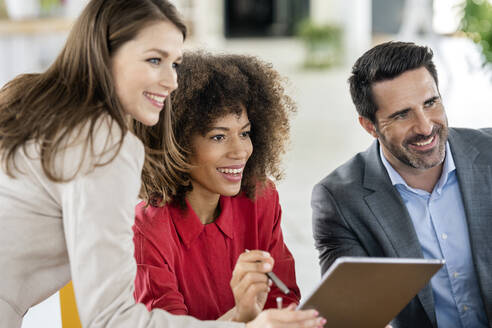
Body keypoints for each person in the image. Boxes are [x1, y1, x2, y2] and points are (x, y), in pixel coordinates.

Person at [0, 0, 322, 327]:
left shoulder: (42, 110)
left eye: (175, 63)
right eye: (155, 60)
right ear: (105, 53)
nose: (171, 82)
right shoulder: (101, 143)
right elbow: (111, 319)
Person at [311, 41, 492, 328]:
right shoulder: (341, 199)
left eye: (430, 103)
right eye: (401, 114)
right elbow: (349, 317)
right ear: (369, 126)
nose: (425, 127)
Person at [132, 51, 312, 324]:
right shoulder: (146, 232)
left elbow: (284, 301)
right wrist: (242, 315)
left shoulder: (260, 199)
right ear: (175, 144)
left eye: (245, 133)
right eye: (218, 136)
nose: (240, 151)